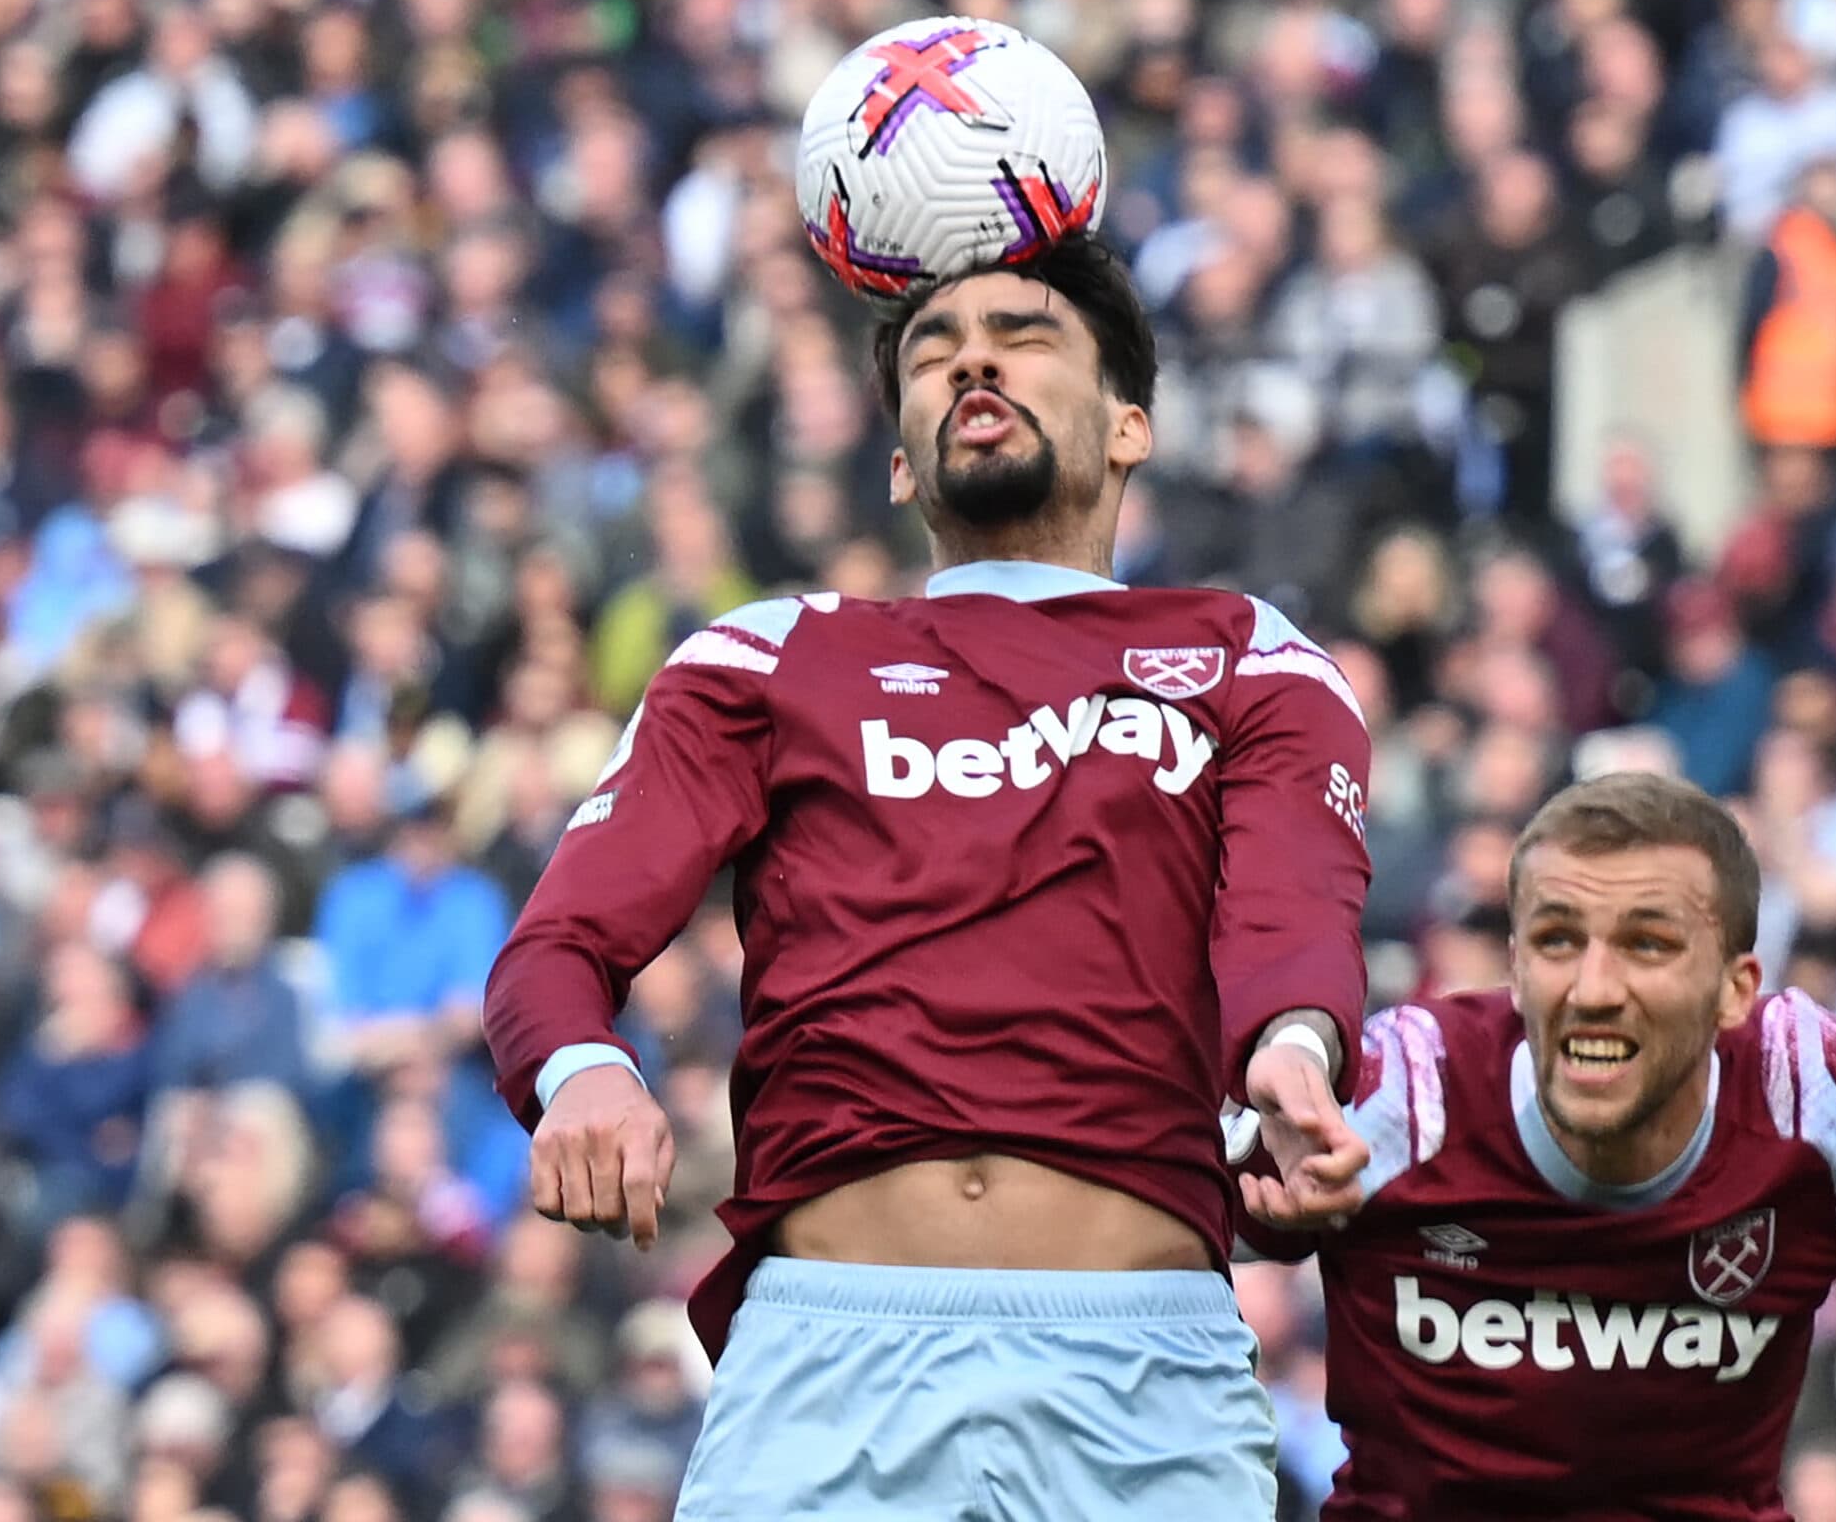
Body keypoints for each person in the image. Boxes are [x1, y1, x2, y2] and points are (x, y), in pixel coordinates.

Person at [481, 233, 1375, 1519]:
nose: (973, 363)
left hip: (1142, 1372)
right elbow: (554, 950)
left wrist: (1295, 1053)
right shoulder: (763, 658)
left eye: (1023, 335)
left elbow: (1295, 911)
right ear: (901, 461)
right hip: (825, 1369)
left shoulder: (1250, 657)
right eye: (934, 353)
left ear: (1131, 427)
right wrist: (586, 1072)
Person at [1236, 772, 1836, 1519]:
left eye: (1647, 945)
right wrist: (1252, 1199)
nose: (1592, 988)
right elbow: (1126, 1250)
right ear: (1514, 965)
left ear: (1736, 989)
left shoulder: (1821, 1094)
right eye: (1556, 941)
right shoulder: (1391, 1096)